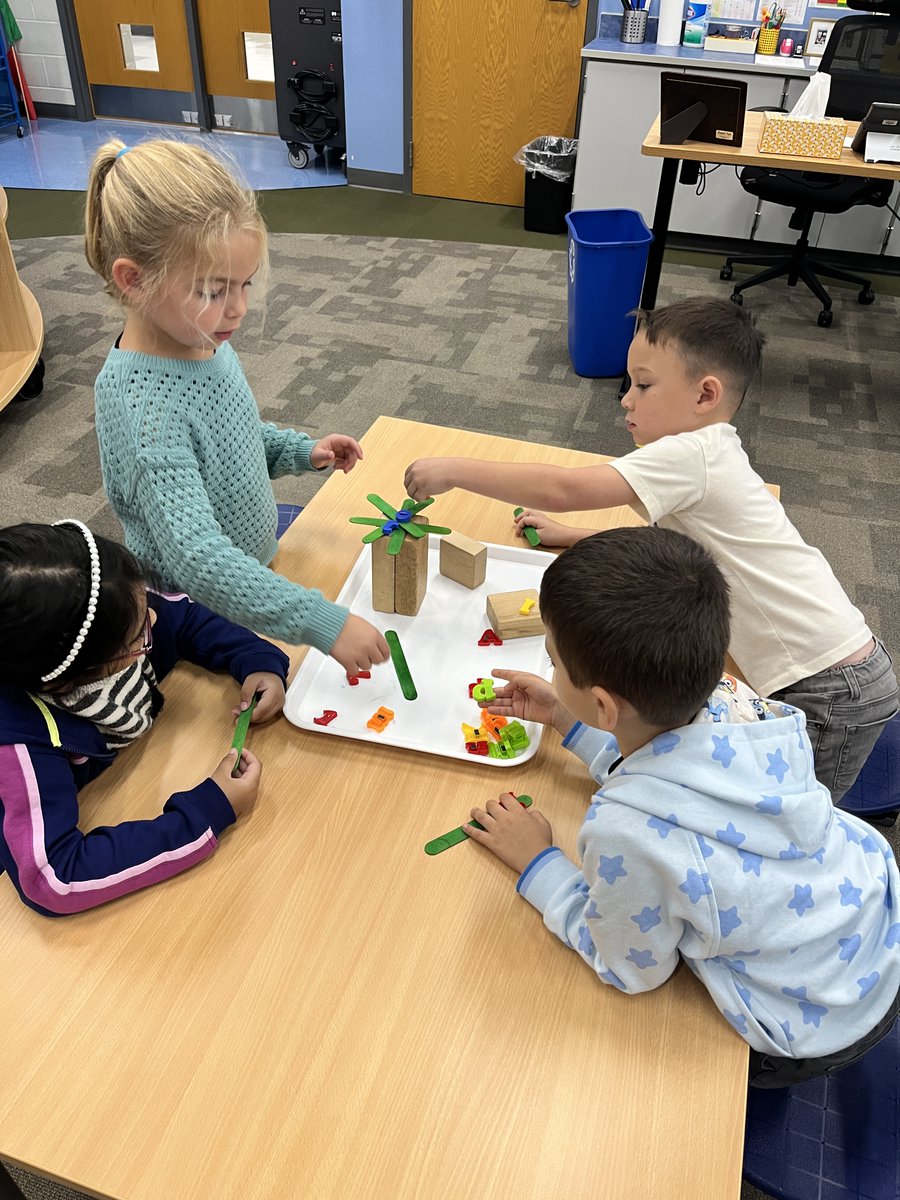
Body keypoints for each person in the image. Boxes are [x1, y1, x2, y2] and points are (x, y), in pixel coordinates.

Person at [404, 297, 897, 801]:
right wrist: (573, 536)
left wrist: (453, 471)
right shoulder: (709, 452)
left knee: (782, 816)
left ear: (705, 394)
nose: (626, 399)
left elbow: (563, 489)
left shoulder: (693, 453)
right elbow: (681, 550)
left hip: (829, 688)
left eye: (643, 384)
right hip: (828, 673)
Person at [465, 527, 900, 1087]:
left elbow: (629, 967)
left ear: (603, 703)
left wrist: (538, 863)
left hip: (812, 1024)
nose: (549, 666)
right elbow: (685, 770)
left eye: (552, 657)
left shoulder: (626, 829)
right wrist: (570, 722)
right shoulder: (734, 700)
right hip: (874, 928)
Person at [85, 137, 388, 678]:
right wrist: (323, 621)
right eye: (213, 289)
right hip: (195, 609)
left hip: (254, 569)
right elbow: (196, 559)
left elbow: (233, 437)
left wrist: (301, 451)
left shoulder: (201, 340)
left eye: (244, 285)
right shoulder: (142, 408)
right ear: (134, 281)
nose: (240, 308)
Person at [0, 520, 290, 917]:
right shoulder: (18, 745)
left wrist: (257, 661)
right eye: (139, 636)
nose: (152, 622)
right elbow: (54, 878)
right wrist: (209, 809)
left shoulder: (113, 606)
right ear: (70, 679)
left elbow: (186, 618)